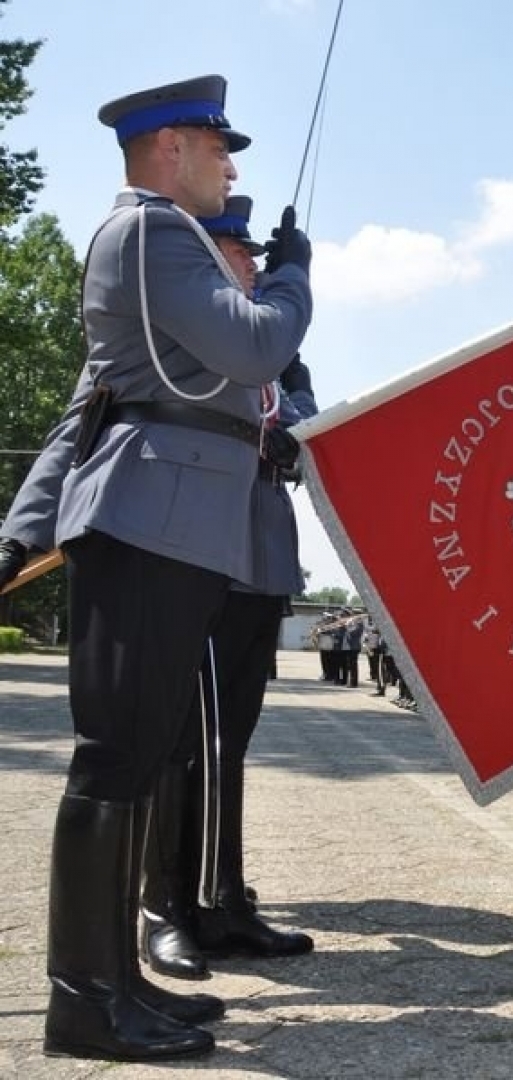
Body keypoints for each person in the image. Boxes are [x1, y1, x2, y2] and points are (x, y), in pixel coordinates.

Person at [37, 76, 312, 1062]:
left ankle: (115, 978)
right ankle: (84, 999)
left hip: (176, 519)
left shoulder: (163, 237)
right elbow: (255, 344)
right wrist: (293, 278)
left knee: (145, 754)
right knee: (116, 759)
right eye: (218, 149)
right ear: (169, 150)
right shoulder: (153, 232)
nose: (229, 169)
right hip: (152, 516)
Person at [138, 197, 316, 982]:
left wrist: (293, 436)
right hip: (197, 553)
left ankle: (223, 901)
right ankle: (166, 907)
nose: (252, 265)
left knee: (226, 745)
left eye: (254, 254)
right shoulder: (189, 331)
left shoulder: (278, 354)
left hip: (260, 560)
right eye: (239, 253)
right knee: (183, 744)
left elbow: (303, 417)